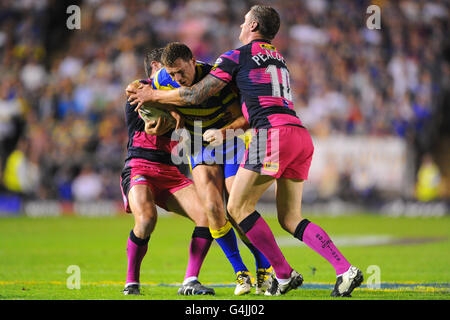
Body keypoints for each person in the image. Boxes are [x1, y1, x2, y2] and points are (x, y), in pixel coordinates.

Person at [128, 5, 363, 297]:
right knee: (290, 218)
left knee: (237, 208)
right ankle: (345, 270)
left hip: (270, 134)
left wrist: (153, 94)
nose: (240, 25)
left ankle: (283, 274)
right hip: (299, 134)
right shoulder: (279, 58)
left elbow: (197, 94)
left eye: (243, 21)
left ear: (252, 25)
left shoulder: (235, 56)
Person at [141, 42, 273, 295]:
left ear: (192, 61)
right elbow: (138, 90)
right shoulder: (162, 79)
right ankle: (241, 273)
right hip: (198, 143)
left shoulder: (217, 80)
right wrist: (161, 119)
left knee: (237, 209)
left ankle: (265, 268)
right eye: (172, 74)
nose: (178, 79)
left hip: (231, 139)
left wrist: (223, 133)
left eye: (182, 72)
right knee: (213, 208)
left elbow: (245, 119)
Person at [121, 48, 215, 296]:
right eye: (167, 69)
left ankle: (191, 280)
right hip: (140, 165)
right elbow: (136, 94)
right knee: (147, 219)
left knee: (208, 215)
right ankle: (132, 283)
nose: (173, 76)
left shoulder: (182, 93)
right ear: (155, 66)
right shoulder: (140, 87)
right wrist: (175, 115)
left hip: (171, 171)